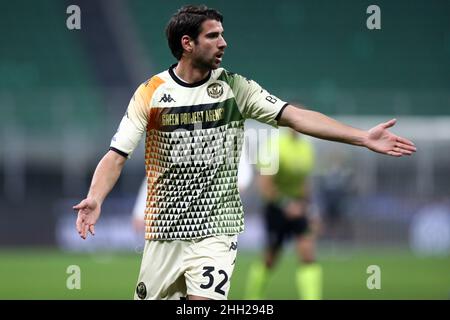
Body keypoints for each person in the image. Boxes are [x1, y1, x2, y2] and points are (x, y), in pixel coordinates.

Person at [73, 5, 416, 300]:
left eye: (222, 34)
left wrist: (362, 138)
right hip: (164, 234)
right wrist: (95, 197)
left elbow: (295, 116)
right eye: (213, 36)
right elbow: (117, 155)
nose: (223, 42)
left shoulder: (236, 88)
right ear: (187, 44)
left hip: (216, 232)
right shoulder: (150, 93)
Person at [245, 129, 322, 300]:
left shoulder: (306, 148)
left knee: (308, 254)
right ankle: (252, 299)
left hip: (299, 208)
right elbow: (265, 185)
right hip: (276, 209)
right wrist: (286, 204)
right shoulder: (273, 146)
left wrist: (310, 210)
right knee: (270, 258)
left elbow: (304, 182)